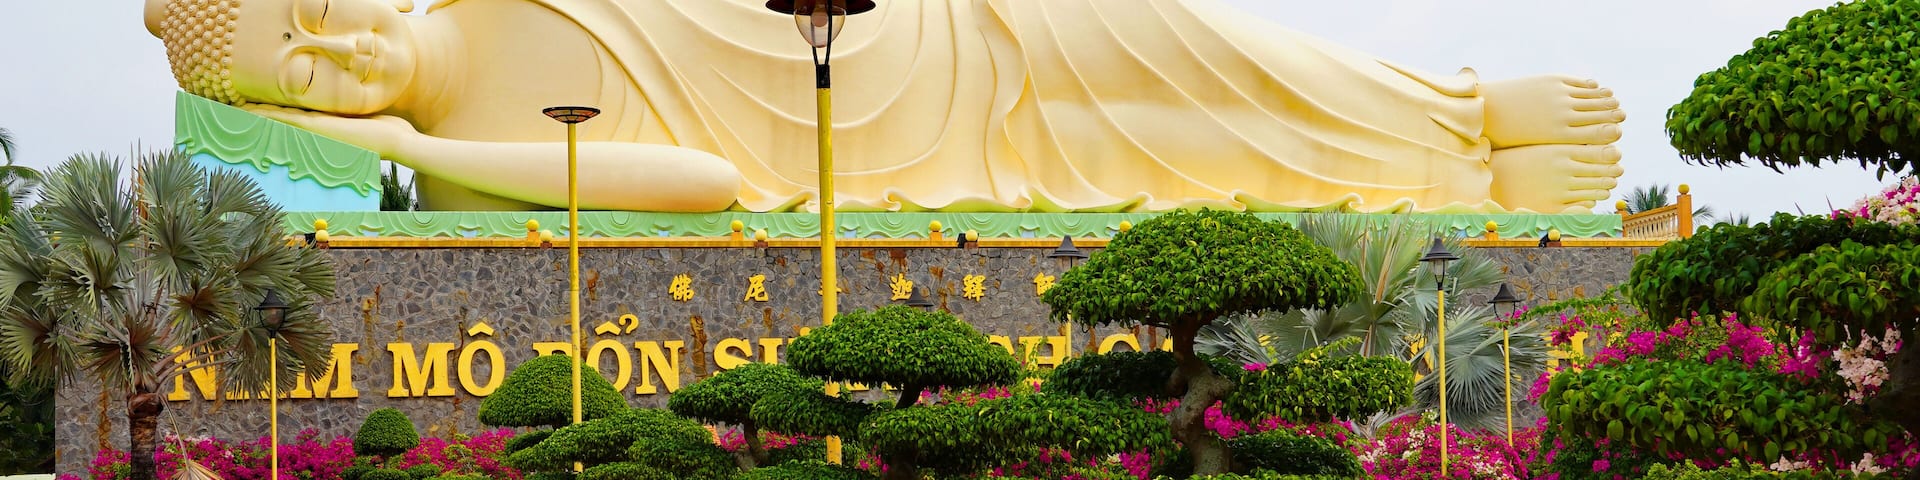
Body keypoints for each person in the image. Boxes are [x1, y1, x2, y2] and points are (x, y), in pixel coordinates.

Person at [145, 0, 1626, 213]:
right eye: (310, 76)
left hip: (902, 29)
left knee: (1164, 28)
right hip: (870, 149)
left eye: (321, 14)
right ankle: (1461, 181)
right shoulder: (471, 172)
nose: (349, 52)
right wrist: (401, 151)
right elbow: (703, 186)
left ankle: (1450, 105)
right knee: (1174, 166)